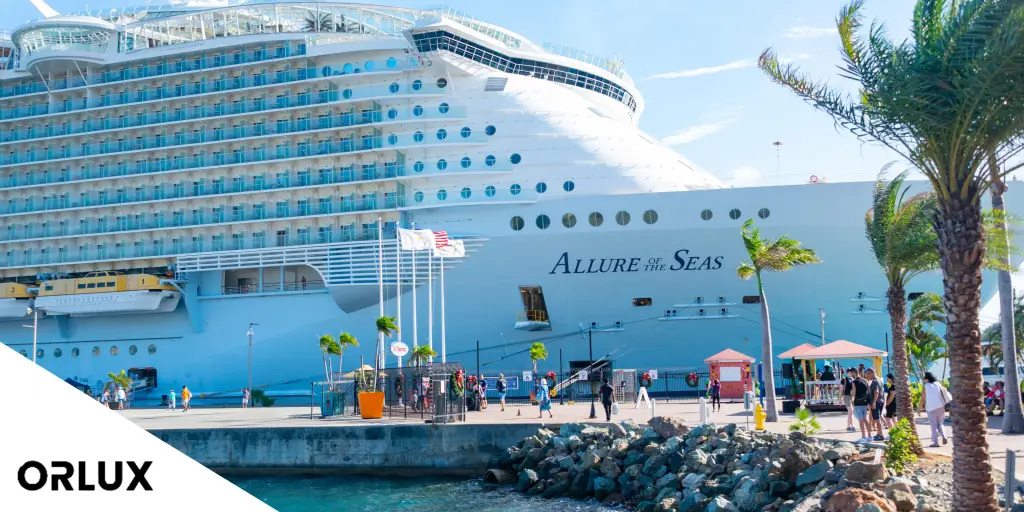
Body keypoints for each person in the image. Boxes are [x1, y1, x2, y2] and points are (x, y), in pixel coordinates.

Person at [918, 372, 949, 447]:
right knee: (940, 424)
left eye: (924, 379)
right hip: (941, 407)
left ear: (927, 379)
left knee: (933, 426)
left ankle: (935, 442)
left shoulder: (926, 386)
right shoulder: (938, 384)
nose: (924, 380)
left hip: (931, 409)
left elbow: (922, 398)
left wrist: (919, 409)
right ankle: (944, 436)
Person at [850, 368, 872, 442]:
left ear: (854, 373)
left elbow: (854, 393)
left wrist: (852, 402)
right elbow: (869, 391)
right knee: (864, 419)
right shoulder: (865, 380)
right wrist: (869, 401)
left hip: (858, 402)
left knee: (861, 420)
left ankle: (863, 437)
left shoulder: (854, 382)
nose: (850, 375)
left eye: (851, 373)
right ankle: (869, 436)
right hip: (865, 402)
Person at [864, 368, 885, 441]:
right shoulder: (879, 380)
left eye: (866, 374)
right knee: (877, 418)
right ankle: (879, 433)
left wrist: (873, 402)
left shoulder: (875, 381)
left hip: (876, 402)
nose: (866, 376)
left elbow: (876, 392)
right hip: (881, 401)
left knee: (877, 419)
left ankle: (881, 435)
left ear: (871, 373)